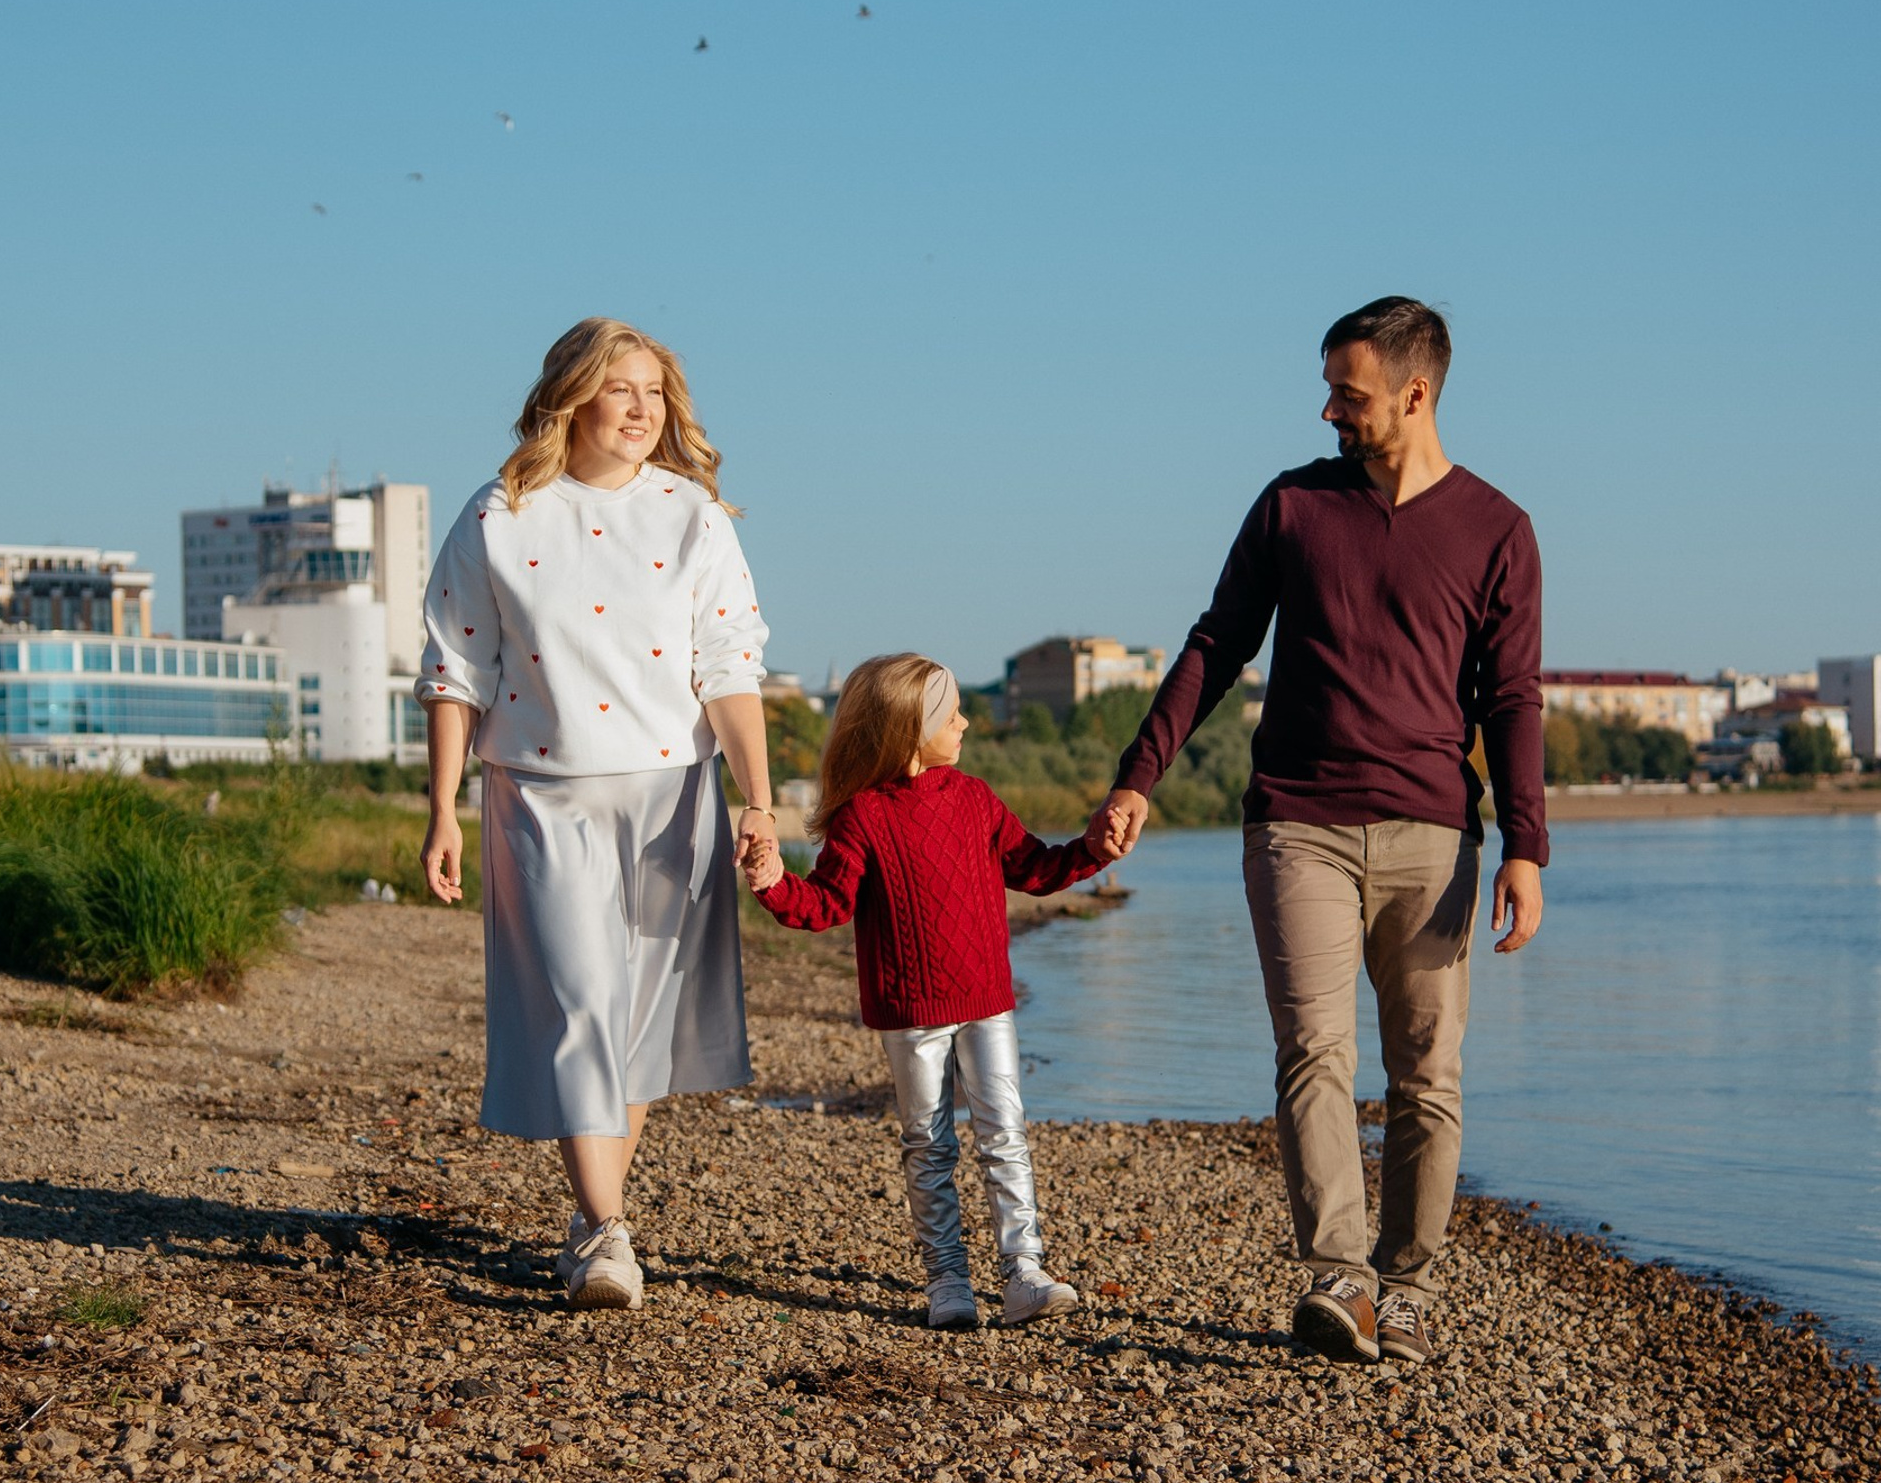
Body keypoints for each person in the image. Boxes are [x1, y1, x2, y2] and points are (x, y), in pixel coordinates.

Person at [1088, 297, 1547, 1367]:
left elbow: (1512, 698)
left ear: (1415, 394)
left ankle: (1409, 1286)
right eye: (1331, 391)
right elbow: (1218, 643)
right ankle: (1341, 1275)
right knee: (1313, 1051)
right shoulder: (1293, 506)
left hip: (1435, 833)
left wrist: (1526, 845)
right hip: (1297, 822)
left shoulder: (1498, 530)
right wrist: (1139, 774)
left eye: (1350, 393)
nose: (1330, 410)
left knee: (1426, 1075)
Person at [417, 317, 776, 1311]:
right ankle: (608, 1231)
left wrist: (759, 800)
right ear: (573, 396)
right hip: (541, 793)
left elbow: (730, 667)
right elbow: (454, 671)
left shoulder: (694, 517)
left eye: (654, 392)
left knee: (642, 1025)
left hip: (674, 796)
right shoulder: (500, 513)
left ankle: (592, 1224)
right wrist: (442, 810)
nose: (640, 409)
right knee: (580, 1003)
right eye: (621, 388)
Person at [743, 654, 1130, 1329]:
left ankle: (1024, 1272)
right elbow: (827, 903)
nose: (966, 721)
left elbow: (1035, 868)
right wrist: (774, 882)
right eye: (952, 714)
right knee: (928, 1143)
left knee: (1005, 1134)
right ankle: (947, 1278)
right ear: (910, 728)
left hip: (987, 1000)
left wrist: (1092, 850)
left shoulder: (976, 798)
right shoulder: (863, 816)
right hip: (910, 1010)